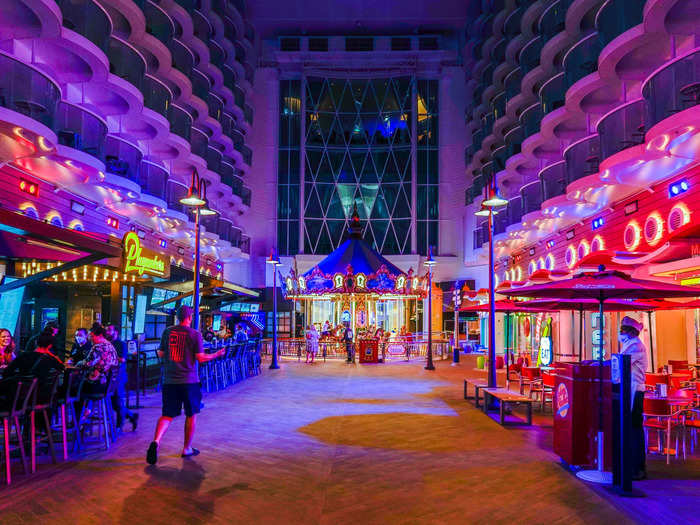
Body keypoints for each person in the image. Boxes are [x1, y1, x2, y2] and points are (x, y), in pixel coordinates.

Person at [146, 306, 224, 465]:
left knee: (167, 414)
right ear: (189, 317)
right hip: (189, 381)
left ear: (177, 317)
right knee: (191, 414)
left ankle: (156, 441)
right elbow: (201, 358)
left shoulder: (168, 332)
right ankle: (187, 448)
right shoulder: (195, 334)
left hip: (169, 381)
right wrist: (217, 354)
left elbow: (160, 353)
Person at [618, 316, 649, 481]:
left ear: (631, 331)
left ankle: (638, 468)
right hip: (630, 390)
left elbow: (621, 363)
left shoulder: (636, 346)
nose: (620, 333)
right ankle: (632, 464)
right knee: (631, 427)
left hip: (635, 391)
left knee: (635, 428)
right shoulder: (629, 344)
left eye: (623, 330)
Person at [3, 332, 64, 400]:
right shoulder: (51, 359)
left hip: (21, 397)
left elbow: (6, 372)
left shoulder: (24, 356)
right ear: (50, 346)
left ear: (36, 343)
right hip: (42, 397)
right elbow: (61, 368)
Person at [106, 324, 138, 432]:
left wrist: (110, 357)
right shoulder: (108, 343)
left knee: (118, 401)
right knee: (113, 403)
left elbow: (123, 359)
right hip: (110, 376)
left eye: (110, 330)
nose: (107, 332)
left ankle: (119, 426)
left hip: (119, 376)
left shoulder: (121, 344)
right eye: (107, 330)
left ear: (116, 332)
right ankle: (132, 415)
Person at [77, 323, 119, 396]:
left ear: (100, 335)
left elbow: (87, 363)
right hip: (109, 385)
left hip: (98, 385)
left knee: (73, 386)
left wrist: (77, 363)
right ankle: (87, 407)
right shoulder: (110, 345)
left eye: (92, 336)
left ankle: (80, 407)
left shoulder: (98, 347)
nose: (90, 339)